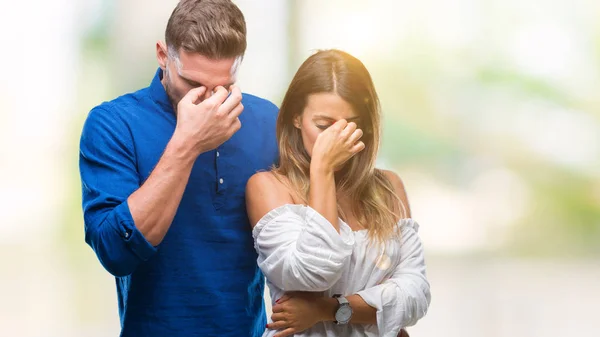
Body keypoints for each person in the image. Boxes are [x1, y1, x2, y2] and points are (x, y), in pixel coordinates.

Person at [78, 0, 278, 335]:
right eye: (193, 83)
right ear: (162, 55)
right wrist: (187, 143)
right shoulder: (113, 123)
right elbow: (114, 252)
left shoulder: (268, 121)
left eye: (222, 86)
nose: (208, 98)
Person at [246, 49, 431, 337]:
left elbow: (415, 296)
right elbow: (313, 273)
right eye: (323, 126)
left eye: (351, 125)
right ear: (296, 118)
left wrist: (327, 310)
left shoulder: (388, 187)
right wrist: (322, 169)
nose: (337, 138)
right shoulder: (268, 187)